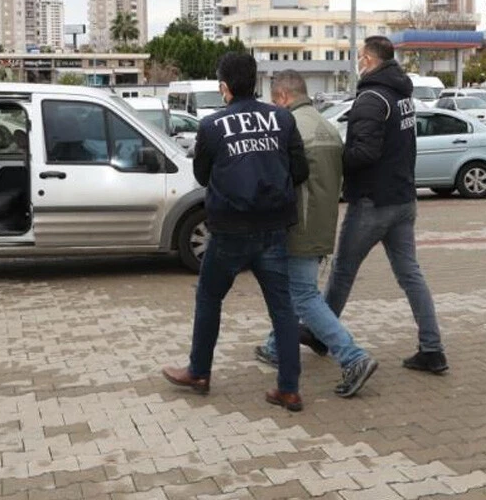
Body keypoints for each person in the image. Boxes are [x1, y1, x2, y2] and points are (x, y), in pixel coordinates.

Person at [161, 52, 310, 411]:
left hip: (229, 231)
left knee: (210, 298)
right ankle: (288, 389)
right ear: (256, 82)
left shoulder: (212, 126)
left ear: (224, 87)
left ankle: (199, 371)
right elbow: (301, 170)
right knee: (282, 309)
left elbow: (201, 175)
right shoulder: (282, 119)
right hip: (273, 228)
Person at [323, 36, 448, 375]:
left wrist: (335, 160)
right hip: (403, 199)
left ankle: (322, 333)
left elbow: (363, 153)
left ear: (368, 59)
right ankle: (432, 348)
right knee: (410, 275)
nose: (358, 63)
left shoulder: (371, 98)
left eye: (360, 57)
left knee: (343, 272)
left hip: (373, 203)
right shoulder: (401, 94)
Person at [254, 70, 379, 398]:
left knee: (303, 295)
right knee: (294, 289)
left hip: (298, 226)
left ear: (281, 97)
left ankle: (353, 356)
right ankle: (275, 346)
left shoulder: (290, 128)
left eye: (273, 100)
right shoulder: (327, 126)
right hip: (323, 222)